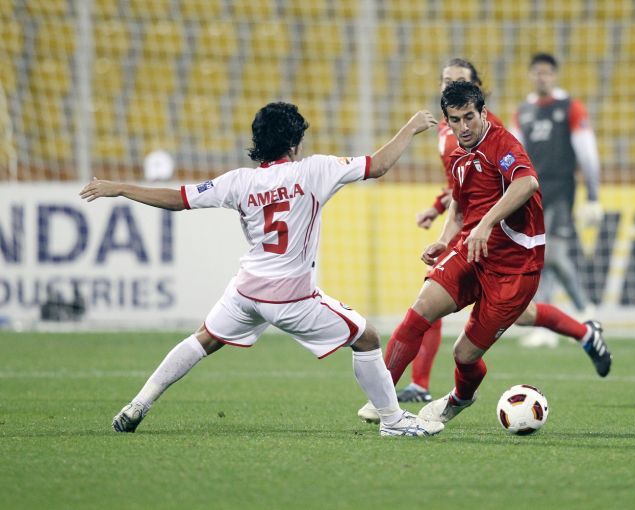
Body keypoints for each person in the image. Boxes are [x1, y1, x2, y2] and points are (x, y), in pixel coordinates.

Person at [79, 102, 444, 437]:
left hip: (245, 291)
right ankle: (393, 421)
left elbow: (178, 199)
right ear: (294, 144)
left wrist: (121, 188)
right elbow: (378, 166)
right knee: (367, 339)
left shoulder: (238, 180)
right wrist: (411, 128)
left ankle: (138, 404)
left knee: (204, 338)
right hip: (291, 297)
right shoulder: (314, 170)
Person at [359, 82, 612, 426]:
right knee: (420, 310)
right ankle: (383, 400)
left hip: (514, 269)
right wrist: (445, 240)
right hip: (471, 251)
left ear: (482, 112)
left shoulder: (502, 143)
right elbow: (460, 207)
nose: (463, 127)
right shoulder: (457, 156)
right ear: (447, 121)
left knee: (464, 354)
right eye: (455, 120)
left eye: (469, 117)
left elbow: (527, 183)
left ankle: (460, 398)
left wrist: (486, 223)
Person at [511, 53, 604, 348]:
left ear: (554, 75)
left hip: (562, 192)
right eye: (537, 72)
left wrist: (592, 195)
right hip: (532, 194)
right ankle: (554, 323)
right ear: (530, 76)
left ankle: (582, 312)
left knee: (552, 254)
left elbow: (587, 152)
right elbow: (512, 155)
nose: (542, 77)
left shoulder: (570, 107)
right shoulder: (523, 111)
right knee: (538, 257)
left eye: (547, 72)